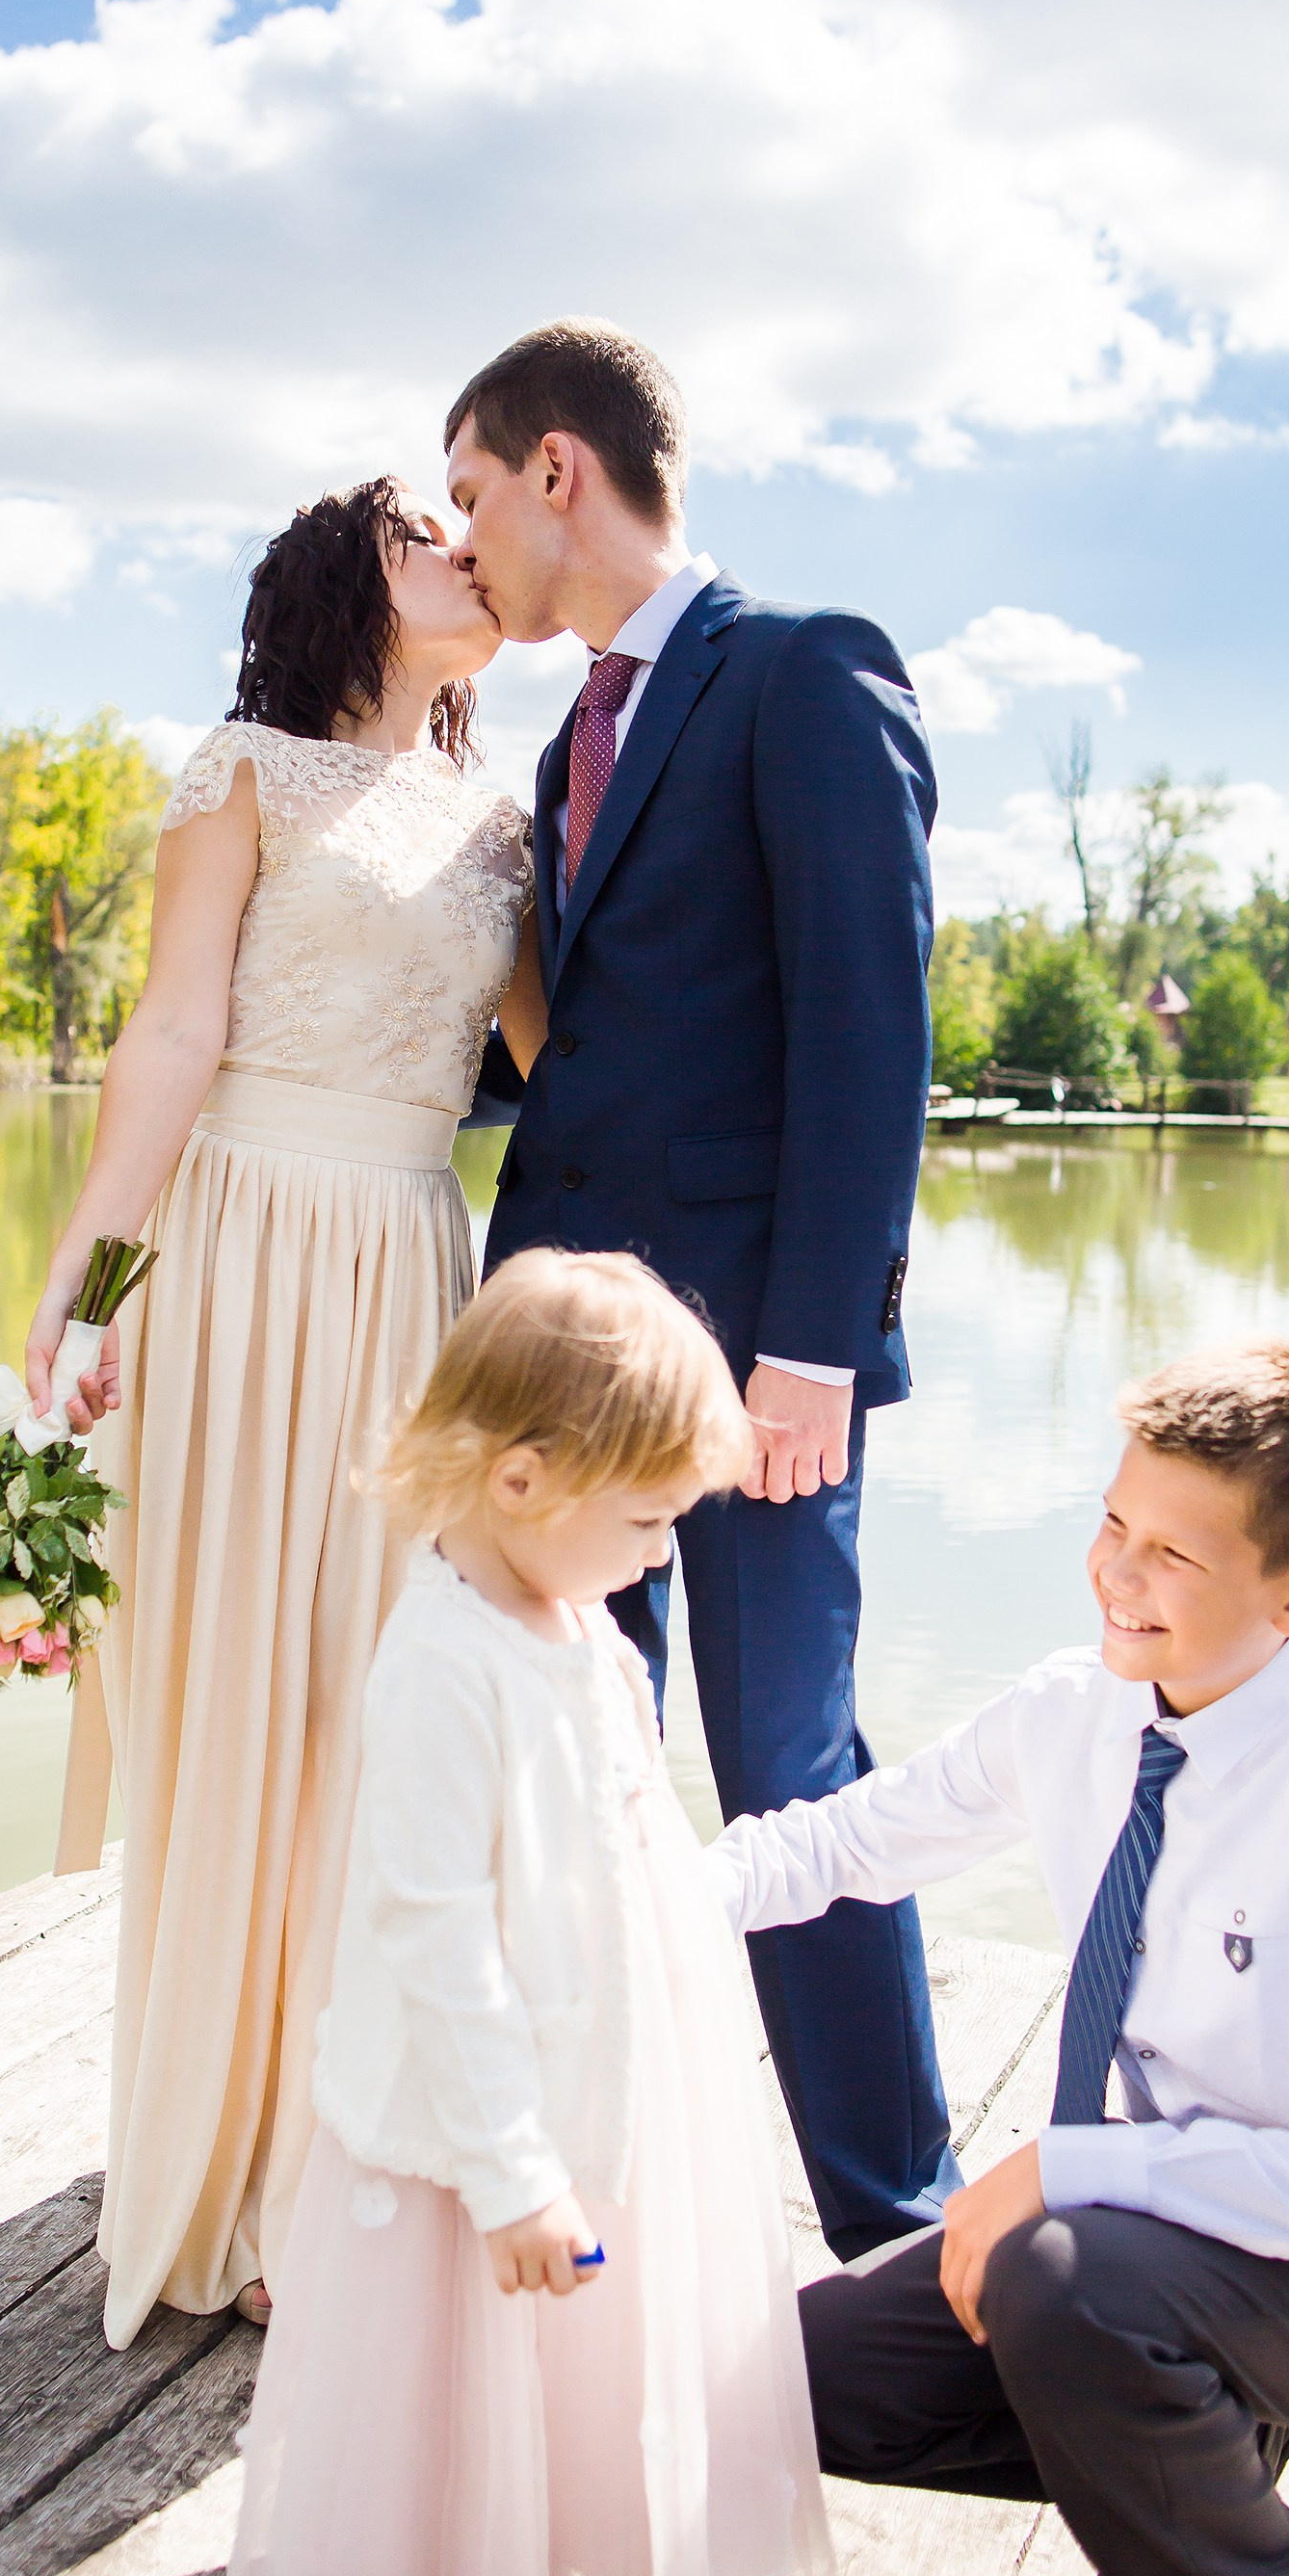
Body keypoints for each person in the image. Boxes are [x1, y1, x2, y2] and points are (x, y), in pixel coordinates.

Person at [710, 1340, 1289, 2576]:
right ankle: (1194, 2435)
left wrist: (1070, 2170)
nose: (1114, 1569)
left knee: (1061, 2275)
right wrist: (632, 1903)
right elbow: (840, 1845)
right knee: (774, 2384)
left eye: (1172, 1551)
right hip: (1153, 2245)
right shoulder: (1074, 1706)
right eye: (1112, 1520)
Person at [224, 1251, 831, 2576]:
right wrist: (509, 2170)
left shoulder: (577, 1615)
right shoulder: (442, 1663)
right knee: (433, 2425)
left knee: (562, 2399)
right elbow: (434, 1935)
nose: (665, 1551)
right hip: (458, 2149)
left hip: (578, 2093)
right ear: (519, 1476)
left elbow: (628, 1840)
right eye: (646, 1521)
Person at [446, 320, 960, 2260]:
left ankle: (892, 2235)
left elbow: (863, 1030)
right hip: (555, 1369)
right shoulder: (558, 737)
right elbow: (580, 1048)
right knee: (562, 1752)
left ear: (556, 468)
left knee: (785, 1770)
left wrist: (812, 1346)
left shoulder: (798, 670)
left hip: (753, 1371)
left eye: (477, 491)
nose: (468, 533)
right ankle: (583, 2184)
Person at [26, 480, 544, 2338]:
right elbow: (170, 1037)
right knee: (234, 1693)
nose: (469, 555)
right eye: (428, 536)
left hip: (414, 1270)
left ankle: (343, 2162)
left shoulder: (510, 817)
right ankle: (224, 2165)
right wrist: (88, 1285)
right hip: (236, 1253)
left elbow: (568, 1077)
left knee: (374, 1707)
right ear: (351, 580)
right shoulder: (243, 771)